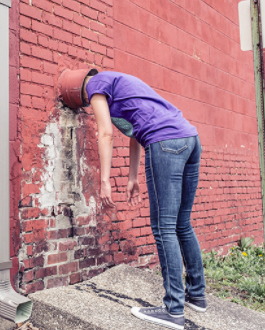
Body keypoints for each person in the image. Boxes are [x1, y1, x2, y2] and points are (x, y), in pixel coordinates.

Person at [63, 69, 207, 330]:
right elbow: (134, 133)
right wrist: (132, 176)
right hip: (190, 139)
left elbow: (105, 133)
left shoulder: (95, 85)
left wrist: (104, 180)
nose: (89, 105)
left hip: (165, 142)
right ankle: (197, 294)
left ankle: (174, 310)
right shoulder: (123, 85)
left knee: (164, 227)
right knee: (182, 224)